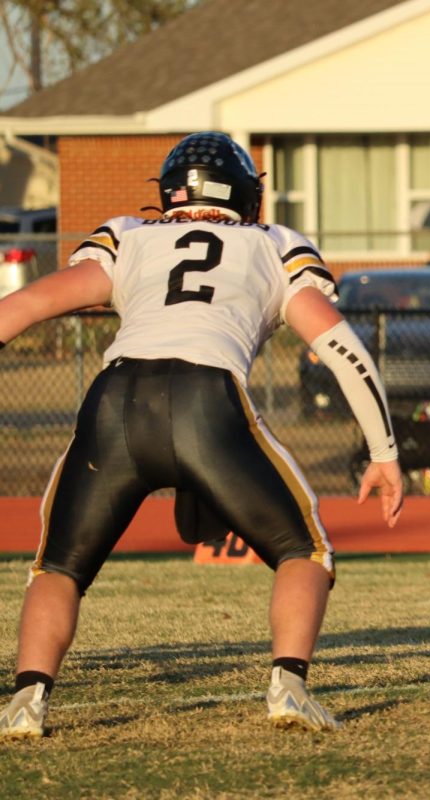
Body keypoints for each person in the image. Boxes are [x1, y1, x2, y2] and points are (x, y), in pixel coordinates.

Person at [0, 132, 404, 738]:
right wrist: (385, 453)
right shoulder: (276, 246)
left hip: (114, 399)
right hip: (207, 399)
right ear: (248, 195)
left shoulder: (129, 235)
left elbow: (21, 308)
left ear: (169, 192)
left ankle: (26, 702)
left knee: (58, 566)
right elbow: (344, 351)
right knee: (305, 551)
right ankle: (288, 688)